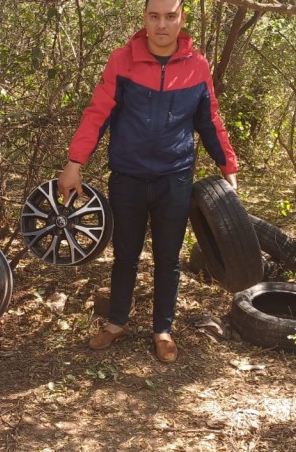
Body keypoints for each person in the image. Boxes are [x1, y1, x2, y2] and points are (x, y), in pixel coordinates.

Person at [59, 0, 239, 364]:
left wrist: (228, 167)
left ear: (182, 19)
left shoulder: (197, 65)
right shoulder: (122, 60)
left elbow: (210, 121)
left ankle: (162, 329)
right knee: (125, 254)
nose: (161, 25)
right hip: (128, 176)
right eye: (154, 16)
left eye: (170, 17)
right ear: (144, 18)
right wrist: (74, 163)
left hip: (174, 178)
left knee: (168, 257)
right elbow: (98, 114)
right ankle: (116, 323)